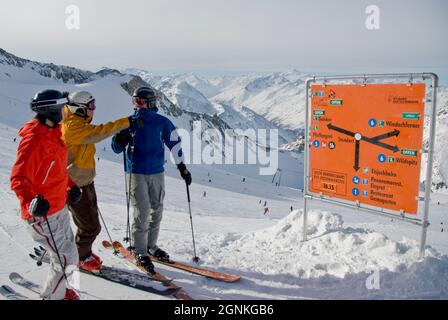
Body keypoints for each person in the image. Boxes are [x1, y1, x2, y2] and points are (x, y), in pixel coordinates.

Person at [112, 87, 191, 273]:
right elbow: (116, 148)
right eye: (134, 101)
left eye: (139, 101)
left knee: (157, 209)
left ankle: (150, 245)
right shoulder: (128, 122)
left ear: (150, 102)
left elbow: (175, 144)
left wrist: (182, 168)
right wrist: (121, 137)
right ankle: (139, 250)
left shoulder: (162, 122)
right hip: (136, 172)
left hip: (157, 172)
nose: (136, 105)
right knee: (142, 210)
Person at [10, 90, 79, 300]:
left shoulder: (54, 134)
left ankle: (58, 289)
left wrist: (70, 185)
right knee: (66, 258)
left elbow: (55, 169)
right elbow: (18, 179)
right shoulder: (34, 141)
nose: (65, 113)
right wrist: (31, 201)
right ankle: (53, 297)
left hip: (59, 207)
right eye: (61, 109)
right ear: (50, 111)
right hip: (43, 214)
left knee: (66, 254)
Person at [62, 91, 138, 271]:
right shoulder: (73, 127)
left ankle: (81, 252)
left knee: (88, 222)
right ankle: (80, 257)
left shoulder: (78, 122)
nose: (94, 110)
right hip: (75, 185)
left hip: (84, 182)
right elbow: (100, 132)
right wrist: (126, 122)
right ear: (80, 108)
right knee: (90, 227)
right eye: (91, 106)